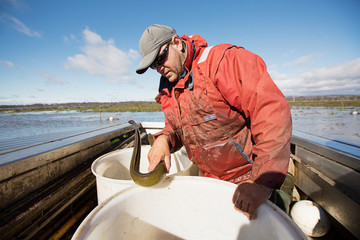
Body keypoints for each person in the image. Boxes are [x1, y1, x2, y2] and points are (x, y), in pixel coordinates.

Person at [136, 24, 292, 220]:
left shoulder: (224, 61)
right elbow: (177, 126)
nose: (159, 69)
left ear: (177, 43)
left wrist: (261, 183)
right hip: (211, 181)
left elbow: (272, 112)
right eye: (153, 65)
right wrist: (164, 138)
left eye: (160, 59)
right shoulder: (169, 85)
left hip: (250, 179)